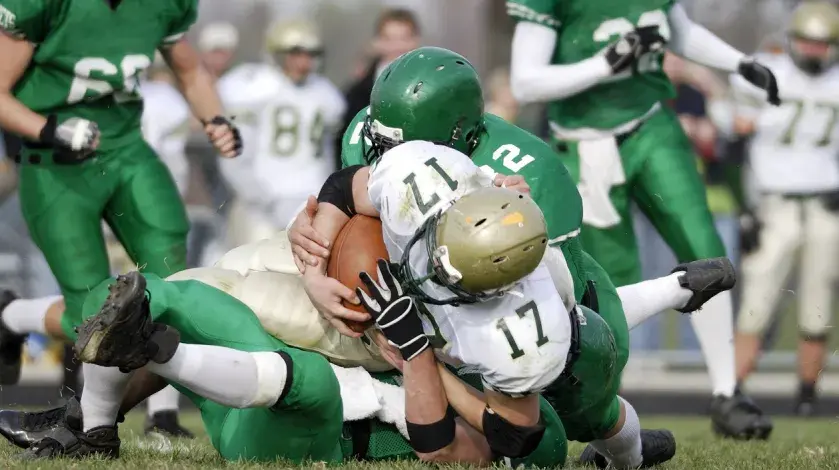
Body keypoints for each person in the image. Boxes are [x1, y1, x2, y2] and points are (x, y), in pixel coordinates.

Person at [289, 47, 735, 467]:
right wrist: (313, 251)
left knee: (576, 419)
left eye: (446, 275)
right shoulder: (418, 167)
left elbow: (506, 434)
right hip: (439, 300)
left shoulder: (521, 321)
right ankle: (677, 287)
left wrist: (416, 351)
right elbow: (344, 188)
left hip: (558, 316)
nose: (432, 274)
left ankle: (633, 445)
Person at [505, 0, 779, 438]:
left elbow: (678, 30)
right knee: (609, 282)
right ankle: (613, 414)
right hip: (584, 143)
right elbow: (525, 82)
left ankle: (728, 392)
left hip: (652, 124)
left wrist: (738, 62)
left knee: (703, 245)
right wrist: (604, 64)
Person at [0, 0, 241, 390]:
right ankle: (14, 319)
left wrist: (215, 119)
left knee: (175, 288)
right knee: (93, 315)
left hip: (127, 150)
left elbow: (190, 68)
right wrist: (49, 129)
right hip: (55, 163)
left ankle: (147, 420)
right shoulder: (44, 4)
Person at [732, 1, 839, 417]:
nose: (814, 51)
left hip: (827, 205)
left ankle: (807, 398)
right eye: (807, 42)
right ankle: (732, 390)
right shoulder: (765, 74)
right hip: (773, 204)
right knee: (755, 305)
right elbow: (733, 146)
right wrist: (746, 208)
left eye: (822, 44)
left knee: (817, 306)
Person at [219, 19, 346, 247]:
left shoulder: (326, 94)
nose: (303, 62)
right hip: (264, 198)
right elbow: (234, 152)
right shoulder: (256, 87)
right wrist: (255, 193)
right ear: (277, 54)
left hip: (311, 196)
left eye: (309, 54)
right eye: (295, 54)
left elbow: (327, 152)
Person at [337, 8, 421, 168]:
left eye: (404, 38)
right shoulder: (357, 92)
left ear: (416, 40)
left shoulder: (435, 87)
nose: (397, 47)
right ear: (377, 42)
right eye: (389, 39)